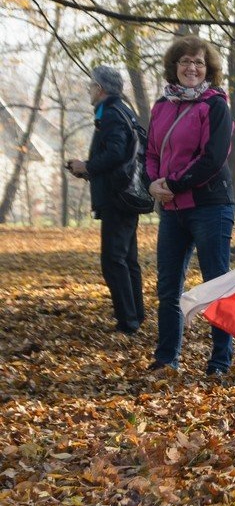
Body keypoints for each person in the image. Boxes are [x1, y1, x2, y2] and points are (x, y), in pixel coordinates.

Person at [145, 35, 235, 379]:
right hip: (172, 210)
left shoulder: (215, 105)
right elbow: (151, 152)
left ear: (207, 68)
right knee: (168, 287)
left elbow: (212, 158)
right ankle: (167, 359)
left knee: (216, 284)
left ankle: (220, 362)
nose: (191, 68)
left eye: (198, 62)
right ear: (174, 67)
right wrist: (153, 183)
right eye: (185, 62)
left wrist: (173, 184)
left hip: (210, 206)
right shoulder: (162, 106)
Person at [67, 66, 146, 335]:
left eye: (91, 86)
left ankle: (128, 322)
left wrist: (87, 166)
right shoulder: (123, 111)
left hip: (118, 198)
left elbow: (115, 153)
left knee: (113, 260)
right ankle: (136, 315)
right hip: (125, 195)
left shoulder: (111, 114)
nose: (89, 90)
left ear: (100, 88)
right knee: (127, 259)